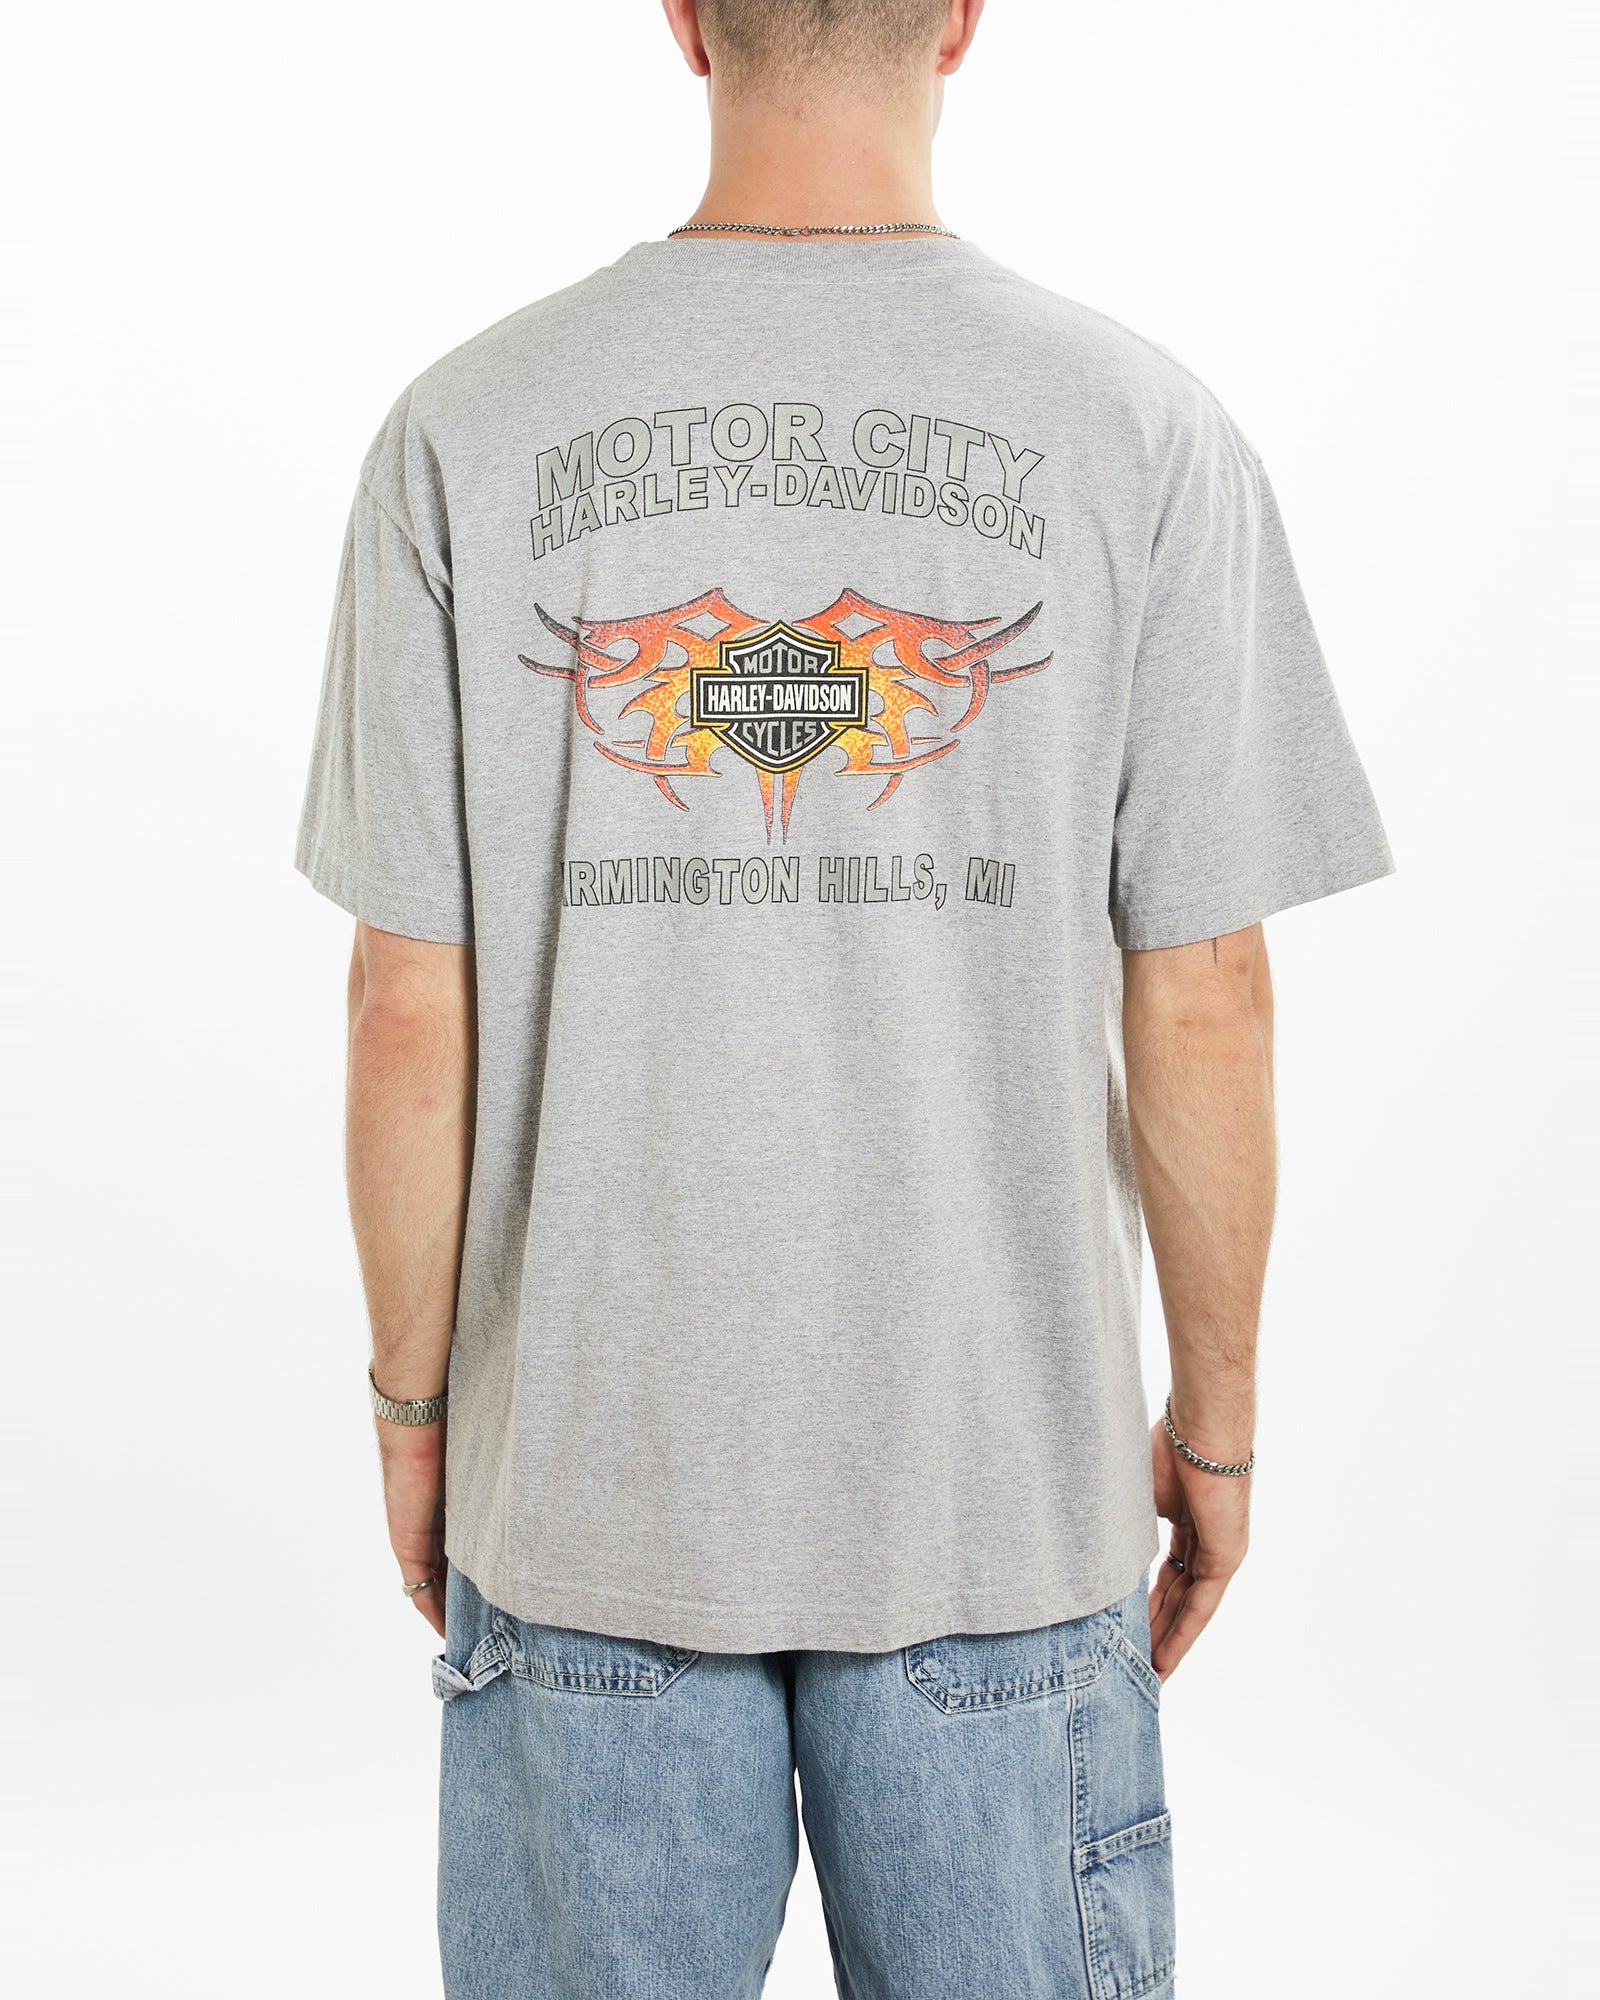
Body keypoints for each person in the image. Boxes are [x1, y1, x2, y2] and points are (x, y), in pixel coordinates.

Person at [295, 2, 1392, 1993]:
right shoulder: (1138, 428)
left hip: (591, 1501)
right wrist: (1214, 1431)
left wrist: (414, 1411)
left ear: (682, 20)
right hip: (997, 1498)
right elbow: (1208, 994)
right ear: (962, 20)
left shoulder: (463, 428)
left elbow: (401, 1008)